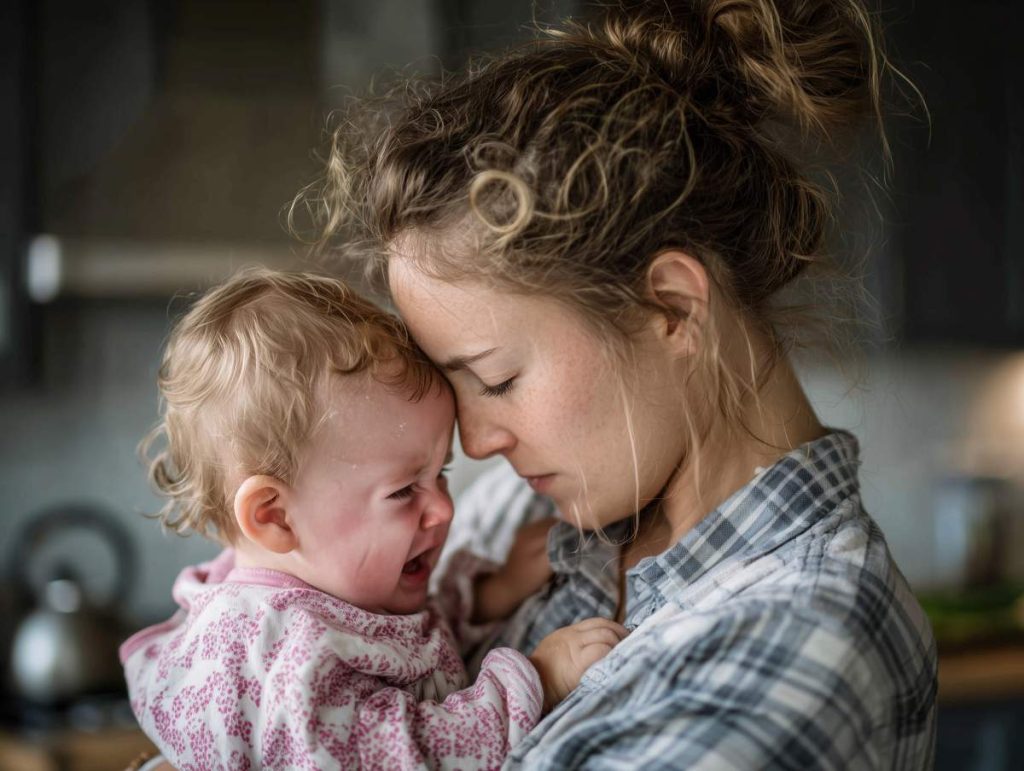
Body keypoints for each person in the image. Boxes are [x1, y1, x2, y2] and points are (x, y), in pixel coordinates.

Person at [304, 0, 939, 767]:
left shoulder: (796, 646)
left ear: (670, 307)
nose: (474, 441)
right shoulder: (524, 508)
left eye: (499, 378)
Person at [119, 269, 626, 770]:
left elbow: (397, 644)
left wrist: (489, 594)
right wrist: (537, 680)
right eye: (405, 489)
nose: (445, 508)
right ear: (275, 517)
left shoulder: (330, 587)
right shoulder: (281, 651)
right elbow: (407, 757)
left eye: (441, 472)